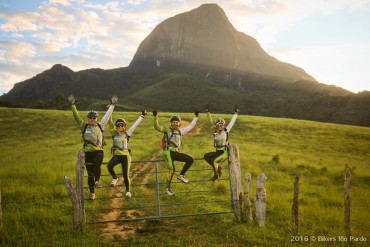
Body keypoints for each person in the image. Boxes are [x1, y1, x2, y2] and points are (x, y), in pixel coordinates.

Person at [68, 95, 118, 200]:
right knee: (90, 173)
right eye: (90, 118)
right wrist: (73, 105)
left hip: (99, 151)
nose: (92, 119)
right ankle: (92, 193)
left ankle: (97, 182)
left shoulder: (100, 125)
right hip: (87, 152)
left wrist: (113, 104)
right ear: (88, 119)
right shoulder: (84, 126)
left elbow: (107, 116)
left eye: (94, 118)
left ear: (96, 119)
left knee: (97, 164)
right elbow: (76, 116)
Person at [153, 109, 199, 196]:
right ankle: (167, 189)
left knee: (190, 159)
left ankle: (181, 175)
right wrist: (155, 116)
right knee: (172, 170)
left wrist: (196, 117)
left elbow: (191, 126)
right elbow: (156, 127)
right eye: (173, 122)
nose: (175, 123)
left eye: (176, 122)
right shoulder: (166, 130)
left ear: (179, 123)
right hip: (168, 152)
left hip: (176, 152)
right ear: (171, 123)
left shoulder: (181, 131)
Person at [107, 110, 147, 198]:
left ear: (124, 126)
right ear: (116, 126)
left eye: (122, 125)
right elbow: (110, 122)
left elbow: (135, 125)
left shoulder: (127, 133)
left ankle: (128, 192)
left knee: (125, 174)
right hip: (117, 155)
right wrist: (110, 109)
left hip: (126, 156)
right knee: (109, 166)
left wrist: (142, 116)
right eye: (118, 125)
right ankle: (115, 178)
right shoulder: (113, 133)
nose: (120, 126)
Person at [203, 105, 238, 181]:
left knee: (214, 161)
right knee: (206, 156)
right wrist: (207, 112)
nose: (220, 126)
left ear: (224, 125)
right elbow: (210, 121)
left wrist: (235, 113)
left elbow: (232, 122)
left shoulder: (226, 131)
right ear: (215, 126)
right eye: (218, 125)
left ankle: (216, 175)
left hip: (225, 152)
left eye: (221, 125)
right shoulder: (215, 131)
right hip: (218, 151)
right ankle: (218, 168)